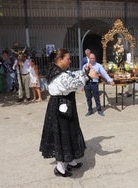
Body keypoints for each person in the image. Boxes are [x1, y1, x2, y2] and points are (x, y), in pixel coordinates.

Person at [39, 49, 98, 177]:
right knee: (62, 134)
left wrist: (84, 72)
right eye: (68, 59)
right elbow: (72, 84)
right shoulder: (59, 75)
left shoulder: (58, 71)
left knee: (70, 131)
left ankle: (70, 160)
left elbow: (72, 76)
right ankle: (60, 168)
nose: (70, 61)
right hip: (60, 106)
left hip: (65, 104)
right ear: (60, 60)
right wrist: (88, 76)